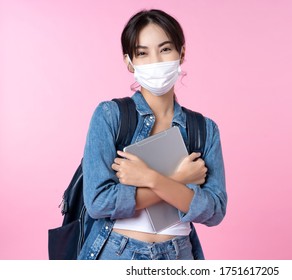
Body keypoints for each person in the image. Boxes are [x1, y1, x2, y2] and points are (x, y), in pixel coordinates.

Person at [77, 9, 227, 260]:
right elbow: (99, 202)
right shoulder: (110, 115)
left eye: (165, 49)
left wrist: (152, 179)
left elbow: (214, 211)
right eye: (143, 53)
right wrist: (178, 178)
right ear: (129, 62)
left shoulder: (204, 129)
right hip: (118, 251)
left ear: (182, 53)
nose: (156, 61)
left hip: (179, 254)